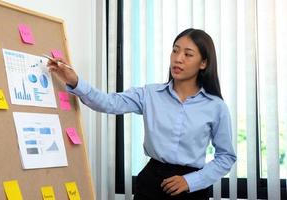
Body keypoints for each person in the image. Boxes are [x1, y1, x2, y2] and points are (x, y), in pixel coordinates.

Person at [48, 28, 236, 200]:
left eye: (188, 54)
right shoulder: (150, 94)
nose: (178, 58)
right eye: (175, 50)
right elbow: (108, 103)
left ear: (203, 63)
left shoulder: (216, 107)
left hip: (191, 189)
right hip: (151, 184)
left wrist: (190, 181)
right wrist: (74, 81)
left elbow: (226, 157)